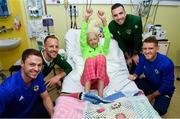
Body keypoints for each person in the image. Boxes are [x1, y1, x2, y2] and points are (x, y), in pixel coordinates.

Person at [128, 36, 175, 116]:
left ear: (157, 48)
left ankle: (152, 95)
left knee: (160, 110)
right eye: (144, 48)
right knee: (132, 82)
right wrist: (134, 75)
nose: (147, 51)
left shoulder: (166, 63)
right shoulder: (143, 57)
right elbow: (139, 68)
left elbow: (166, 86)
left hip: (164, 90)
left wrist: (151, 96)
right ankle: (147, 92)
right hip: (150, 83)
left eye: (150, 48)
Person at [0, 49, 54, 118]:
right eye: (32, 64)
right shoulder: (6, 90)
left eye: (39, 65)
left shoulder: (38, 76)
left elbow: (46, 97)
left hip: (30, 110)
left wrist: (53, 116)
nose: (37, 69)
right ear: (22, 63)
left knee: (55, 108)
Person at [80, 9, 111, 97]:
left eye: (94, 39)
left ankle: (100, 96)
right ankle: (86, 95)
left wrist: (104, 21)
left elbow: (107, 38)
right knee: (90, 60)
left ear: (98, 39)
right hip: (88, 80)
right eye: (90, 40)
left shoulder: (102, 49)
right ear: (87, 42)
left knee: (101, 58)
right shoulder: (85, 49)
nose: (93, 41)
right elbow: (82, 36)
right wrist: (86, 19)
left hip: (100, 80)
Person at [108, 3, 143, 73]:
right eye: (115, 15)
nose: (119, 17)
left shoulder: (136, 20)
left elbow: (138, 39)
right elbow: (120, 42)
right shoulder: (112, 26)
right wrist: (128, 57)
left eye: (121, 13)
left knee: (135, 64)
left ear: (125, 13)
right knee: (124, 65)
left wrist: (135, 54)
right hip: (124, 47)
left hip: (135, 45)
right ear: (112, 17)